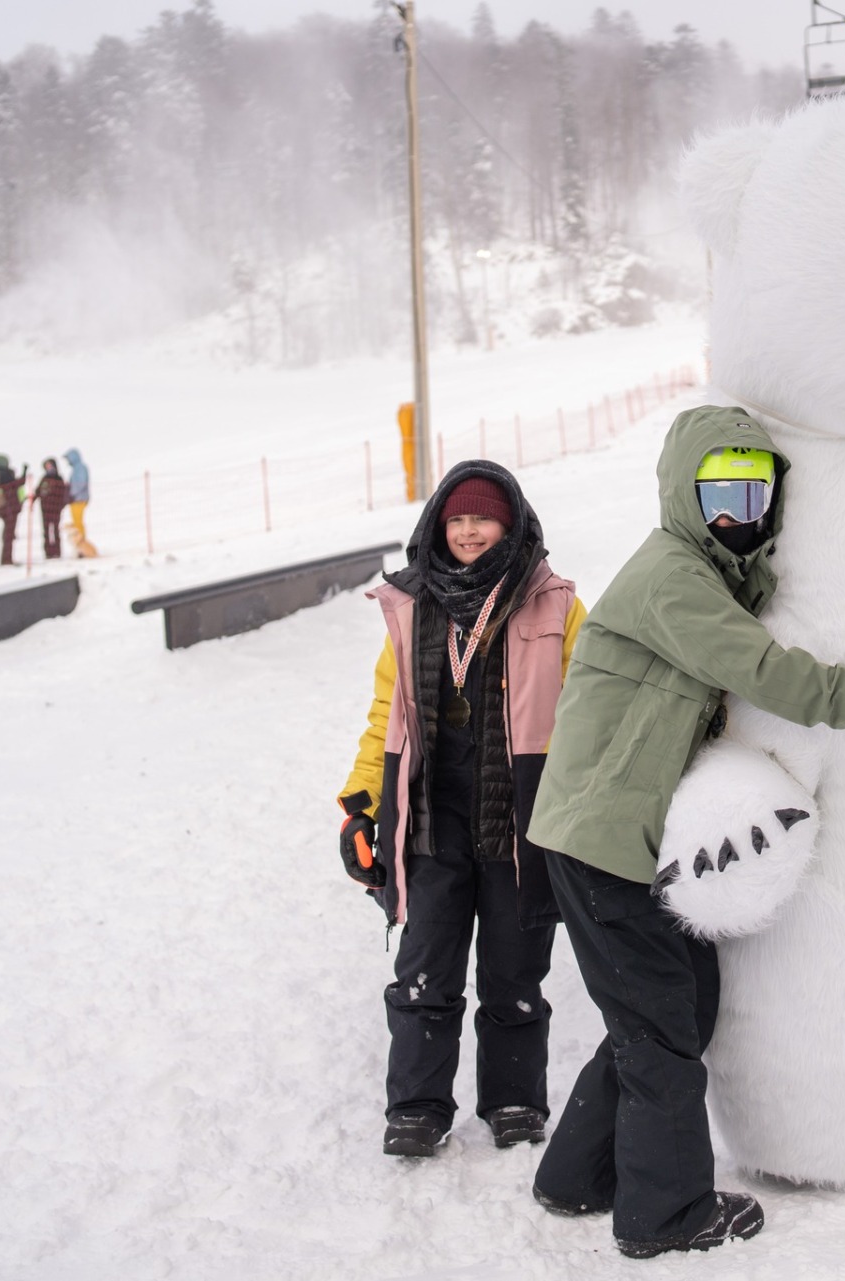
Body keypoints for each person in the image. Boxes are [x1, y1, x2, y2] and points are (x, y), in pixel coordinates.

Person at [526, 406, 845, 1260]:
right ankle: (665, 1213)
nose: (739, 513)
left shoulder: (710, 575)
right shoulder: (671, 577)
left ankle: (577, 1173)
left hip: (626, 836)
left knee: (678, 1005)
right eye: (720, 494)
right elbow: (772, 674)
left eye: (756, 492)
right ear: (683, 494)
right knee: (661, 1026)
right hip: (600, 839)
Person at [338, 461, 586, 1163]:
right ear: (438, 526)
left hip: (519, 819)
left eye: (484, 519)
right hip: (431, 818)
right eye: (458, 519)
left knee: (515, 970)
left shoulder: (556, 604)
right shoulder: (411, 604)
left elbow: (591, 710)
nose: (470, 531)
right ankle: (417, 1107)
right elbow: (385, 714)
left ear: (512, 524)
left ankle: (513, 1100)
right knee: (425, 965)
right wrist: (359, 805)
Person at [0, 454, 26, 567]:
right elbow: (15, 485)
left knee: (8, 533)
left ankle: (6, 558)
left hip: (4, 508)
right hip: (10, 508)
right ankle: (7, 559)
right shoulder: (5, 474)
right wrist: (24, 474)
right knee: (9, 534)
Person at [33, 458, 71, 560]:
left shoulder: (59, 478)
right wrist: (32, 500)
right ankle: (48, 552)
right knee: (46, 531)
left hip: (56, 509)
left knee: (55, 530)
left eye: (50, 466)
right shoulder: (44, 479)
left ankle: (57, 552)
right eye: (47, 466)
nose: (49, 468)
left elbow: (63, 494)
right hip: (45, 509)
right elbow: (38, 491)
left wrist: (61, 505)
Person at [63, 448, 97, 557]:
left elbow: (80, 483)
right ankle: (80, 547)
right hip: (76, 499)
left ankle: (82, 546)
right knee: (76, 522)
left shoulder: (80, 468)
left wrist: (71, 493)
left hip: (79, 499)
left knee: (78, 524)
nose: (68, 461)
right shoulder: (76, 469)